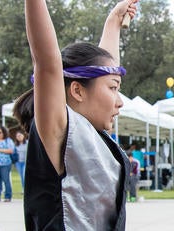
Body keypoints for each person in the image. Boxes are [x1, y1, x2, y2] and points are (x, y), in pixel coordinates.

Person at [17, 1, 137, 229]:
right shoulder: (59, 130)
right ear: (77, 90)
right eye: (113, 89)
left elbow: (104, 71)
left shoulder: (93, 134)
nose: (119, 102)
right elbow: (47, 63)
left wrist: (113, 22)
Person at [0, 126, 14, 202]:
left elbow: (11, 150)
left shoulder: (8, 141)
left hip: (5, 163)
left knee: (6, 180)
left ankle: (8, 196)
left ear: (3, 133)